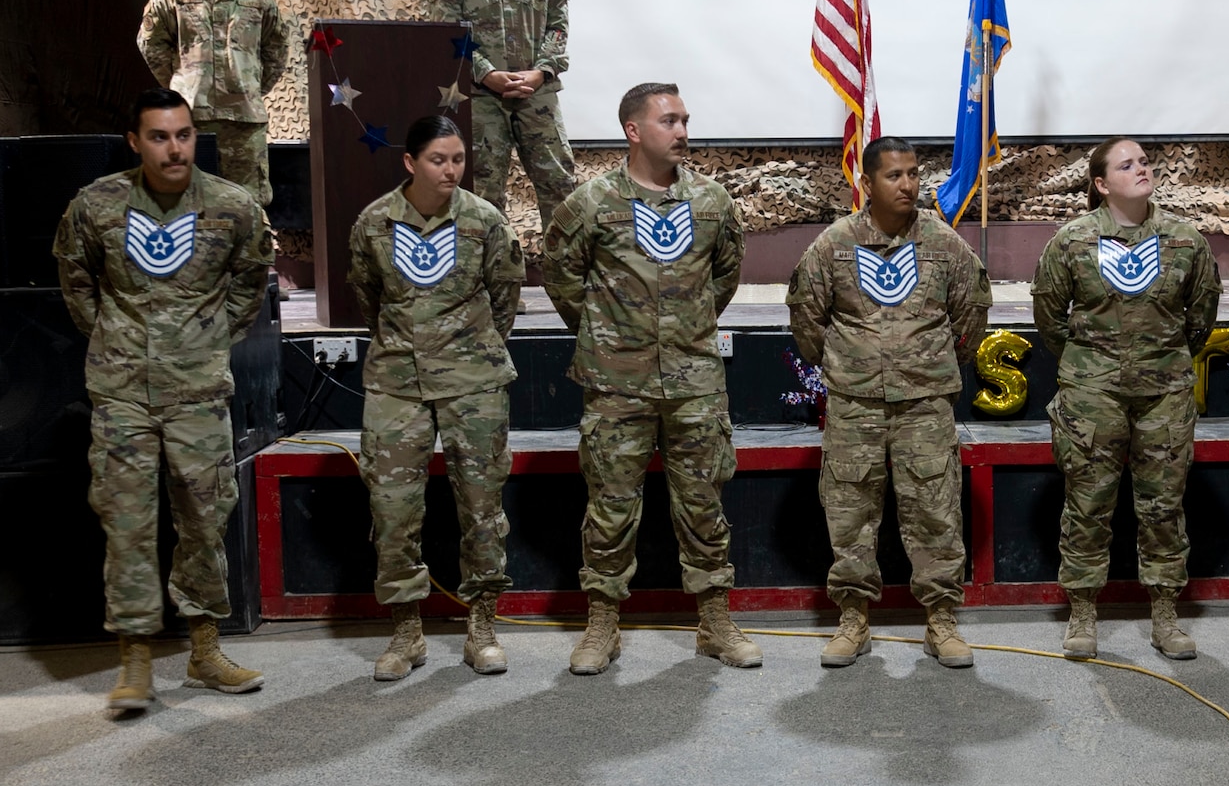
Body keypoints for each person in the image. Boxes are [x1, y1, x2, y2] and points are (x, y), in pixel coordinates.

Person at [53, 88, 275, 713]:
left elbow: (249, 286)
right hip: (121, 393)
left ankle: (204, 652)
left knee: (205, 521)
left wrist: (203, 341)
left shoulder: (233, 207)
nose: (173, 148)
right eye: (159, 136)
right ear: (135, 141)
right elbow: (77, 284)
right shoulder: (96, 206)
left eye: (182, 135)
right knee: (127, 526)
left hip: (198, 392)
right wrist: (117, 341)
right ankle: (136, 662)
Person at [542, 83, 761, 673]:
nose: (683, 131)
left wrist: (683, 328)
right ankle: (602, 626)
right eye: (669, 120)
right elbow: (562, 277)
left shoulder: (713, 202)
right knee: (610, 507)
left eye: (686, 119)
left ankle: (715, 623)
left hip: (693, 383)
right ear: (634, 130)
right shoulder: (590, 203)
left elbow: (724, 277)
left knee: (703, 504)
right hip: (616, 383)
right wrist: (608, 334)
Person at [786, 137, 991, 668]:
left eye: (913, 174)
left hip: (925, 405)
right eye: (894, 176)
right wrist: (851, 366)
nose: (907, 185)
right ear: (867, 183)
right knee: (850, 512)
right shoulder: (833, 247)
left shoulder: (944, 246)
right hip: (855, 406)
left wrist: (929, 364)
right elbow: (808, 320)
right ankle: (853, 619)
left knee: (935, 511)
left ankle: (941, 621)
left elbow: (972, 313)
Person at [346, 115, 525, 680]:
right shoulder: (374, 223)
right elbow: (367, 300)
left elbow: (505, 300)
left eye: (457, 159)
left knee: (482, 510)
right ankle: (406, 633)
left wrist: (468, 350)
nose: (450, 170)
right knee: (393, 511)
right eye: (437, 160)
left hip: (473, 382)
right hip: (396, 384)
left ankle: (483, 626)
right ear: (410, 162)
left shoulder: (484, 221)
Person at [1031, 138, 1221, 660]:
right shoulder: (1071, 241)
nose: (1142, 168)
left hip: (1164, 394)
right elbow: (1049, 316)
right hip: (1092, 396)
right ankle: (1083, 613)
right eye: (1126, 164)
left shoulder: (1184, 241)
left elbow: (1201, 315)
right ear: (1100, 183)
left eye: (1143, 161)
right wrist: (1090, 366)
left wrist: (1162, 359)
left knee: (1162, 507)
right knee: (1088, 505)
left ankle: (1164, 615)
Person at [423, 0, 578, 235]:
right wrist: (486, 73)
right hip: (481, 95)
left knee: (559, 186)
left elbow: (558, 21)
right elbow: (446, 27)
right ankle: (492, 282)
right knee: (482, 192)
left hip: (535, 90)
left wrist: (541, 70)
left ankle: (569, 281)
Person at [136, 0, 291, 206]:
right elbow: (150, 42)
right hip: (192, 118)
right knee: (188, 199)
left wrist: (252, 86)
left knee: (248, 203)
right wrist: (181, 83)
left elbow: (277, 47)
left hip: (244, 120)